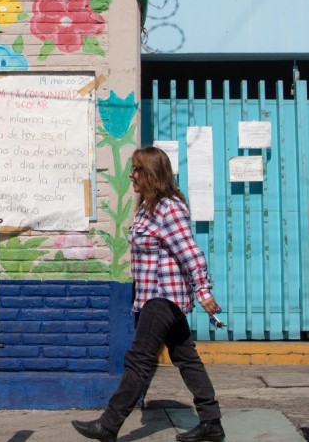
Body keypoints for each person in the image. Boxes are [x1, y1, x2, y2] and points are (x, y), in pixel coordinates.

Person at [71, 146, 225, 442]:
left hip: (162, 297)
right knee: (187, 359)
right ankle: (211, 422)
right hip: (153, 296)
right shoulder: (147, 208)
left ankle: (109, 424)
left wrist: (203, 291)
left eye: (137, 169)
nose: (131, 174)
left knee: (139, 360)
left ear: (151, 174)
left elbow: (191, 253)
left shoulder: (169, 208)